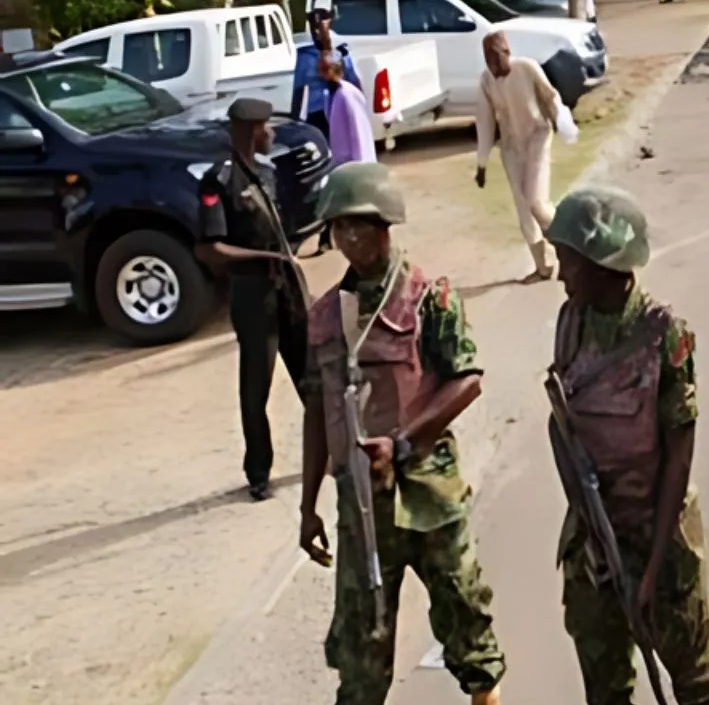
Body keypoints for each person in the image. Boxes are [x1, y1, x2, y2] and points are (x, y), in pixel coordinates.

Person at [297, 162, 506, 705]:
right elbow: (316, 410)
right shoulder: (323, 317)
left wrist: (404, 443)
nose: (347, 238)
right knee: (361, 656)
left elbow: (466, 380)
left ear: (386, 225)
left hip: (429, 498)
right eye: (339, 227)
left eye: (359, 225)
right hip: (362, 509)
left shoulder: (427, 298)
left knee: (469, 630)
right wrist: (308, 505)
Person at [546, 186, 709, 705]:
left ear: (602, 263)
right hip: (592, 540)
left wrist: (651, 568)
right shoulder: (571, 322)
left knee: (697, 683)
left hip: (659, 535)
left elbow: (679, 452)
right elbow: (561, 424)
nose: (561, 274)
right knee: (605, 687)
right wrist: (588, 525)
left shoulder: (665, 336)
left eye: (568, 262)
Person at [195, 97, 307, 501]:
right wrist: (267, 259)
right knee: (256, 387)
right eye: (266, 127)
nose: (271, 133)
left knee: (311, 374)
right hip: (253, 295)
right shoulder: (218, 182)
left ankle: (332, 452)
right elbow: (210, 250)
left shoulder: (268, 172)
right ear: (250, 130)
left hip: (287, 289)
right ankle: (259, 472)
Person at [475, 31, 564, 283]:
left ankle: (569, 246)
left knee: (537, 202)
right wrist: (481, 164)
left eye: (496, 57)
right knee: (524, 209)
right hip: (511, 149)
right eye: (487, 59)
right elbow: (484, 122)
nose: (493, 64)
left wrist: (563, 122)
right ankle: (543, 267)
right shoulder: (485, 81)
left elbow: (550, 96)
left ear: (507, 53)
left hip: (537, 138)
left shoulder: (526, 68)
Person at [295, 6, 361, 140]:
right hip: (315, 114)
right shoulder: (304, 56)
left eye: (321, 27)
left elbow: (353, 83)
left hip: (340, 108)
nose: (318, 32)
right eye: (315, 28)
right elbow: (298, 89)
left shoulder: (341, 53)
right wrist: (296, 119)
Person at [323, 57, 377, 165]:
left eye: (325, 70)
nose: (321, 74)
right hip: (343, 161)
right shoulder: (331, 94)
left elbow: (357, 129)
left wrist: (359, 162)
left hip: (356, 162)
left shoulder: (347, 94)